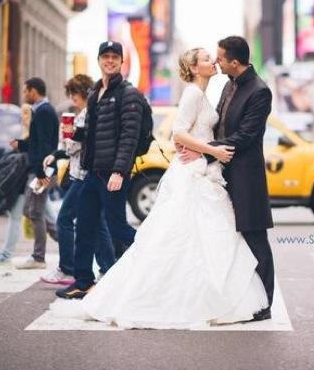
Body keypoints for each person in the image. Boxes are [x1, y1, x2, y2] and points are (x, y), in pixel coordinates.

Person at [50, 47, 268, 328]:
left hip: (199, 170)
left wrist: (204, 151)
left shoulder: (205, 93)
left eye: (212, 58)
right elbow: (179, 132)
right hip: (191, 174)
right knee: (174, 237)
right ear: (192, 68)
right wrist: (211, 151)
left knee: (193, 239)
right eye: (205, 59)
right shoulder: (192, 93)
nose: (212, 61)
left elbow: (190, 135)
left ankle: (191, 293)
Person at [181, 36, 275, 321]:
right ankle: (238, 297)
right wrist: (203, 150)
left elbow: (246, 136)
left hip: (245, 175)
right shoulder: (227, 85)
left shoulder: (260, 91)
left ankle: (264, 304)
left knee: (254, 234)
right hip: (221, 173)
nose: (218, 62)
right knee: (229, 238)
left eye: (220, 58)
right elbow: (217, 126)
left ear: (234, 62)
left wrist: (205, 154)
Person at [55, 41, 140, 299]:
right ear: (99, 60)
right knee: (86, 226)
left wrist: (119, 171)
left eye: (115, 57)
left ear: (121, 61)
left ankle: (153, 258)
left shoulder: (128, 93)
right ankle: (83, 281)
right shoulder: (95, 92)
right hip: (92, 172)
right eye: (106, 56)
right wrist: (74, 133)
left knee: (118, 228)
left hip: (113, 174)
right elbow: (92, 130)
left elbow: (129, 136)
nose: (110, 60)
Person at [40, 75, 116, 285]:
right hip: (89, 175)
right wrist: (57, 152)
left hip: (82, 176)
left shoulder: (85, 115)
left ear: (82, 93)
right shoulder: (88, 113)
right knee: (98, 224)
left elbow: (74, 147)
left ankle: (67, 268)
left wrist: (66, 135)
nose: (72, 97)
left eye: (74, 92)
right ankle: (108, 269)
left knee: (64, 219)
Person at [0, 104, 58, 265]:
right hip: (27, 180)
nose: (22, 117)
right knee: (41, 215)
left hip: (30, 179)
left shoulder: (33, 132)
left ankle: (9, 254)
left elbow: (38, 153)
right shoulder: (25, 134)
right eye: (22, 113)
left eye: (26, 113)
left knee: (25, 214)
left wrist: (40, 174)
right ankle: (69, 245)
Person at [11, 78, 59, 270]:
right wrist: (20, 144)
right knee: (29, 211)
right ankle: (64, 239)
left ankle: (39, 258)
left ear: (34, 91)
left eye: (25, 91)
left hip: (41, 171)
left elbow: (46, 145)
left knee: (35, 212)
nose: (24, 95)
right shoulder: (40, 111)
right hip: (38, 169)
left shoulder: (44, 112)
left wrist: (42, 172)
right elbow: (37, 143)